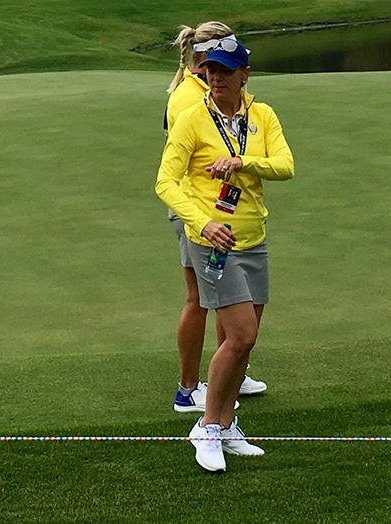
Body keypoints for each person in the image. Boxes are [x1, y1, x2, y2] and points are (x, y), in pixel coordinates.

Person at [155, 35, 294, 472]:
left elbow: (286, 165)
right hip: (212, 239)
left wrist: (243, 162)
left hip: (254, 237)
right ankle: (208, 428)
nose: (215, 77)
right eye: (210, 70)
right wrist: (202, 223)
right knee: (241, 335)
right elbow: (166, 182)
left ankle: (227, 422)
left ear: (244, 75)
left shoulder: (262, 116)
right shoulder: (193, 119)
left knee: (247, 340)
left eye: (225, 71)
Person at [164, 23, 267, 415]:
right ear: (204, 61)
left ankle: (231, 374)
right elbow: (180, 166)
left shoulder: (205, 89)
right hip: (197, 213)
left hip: (220, 211)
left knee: (219, 299)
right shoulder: (190, 99)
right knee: (202, 298)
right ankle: (190, 388)